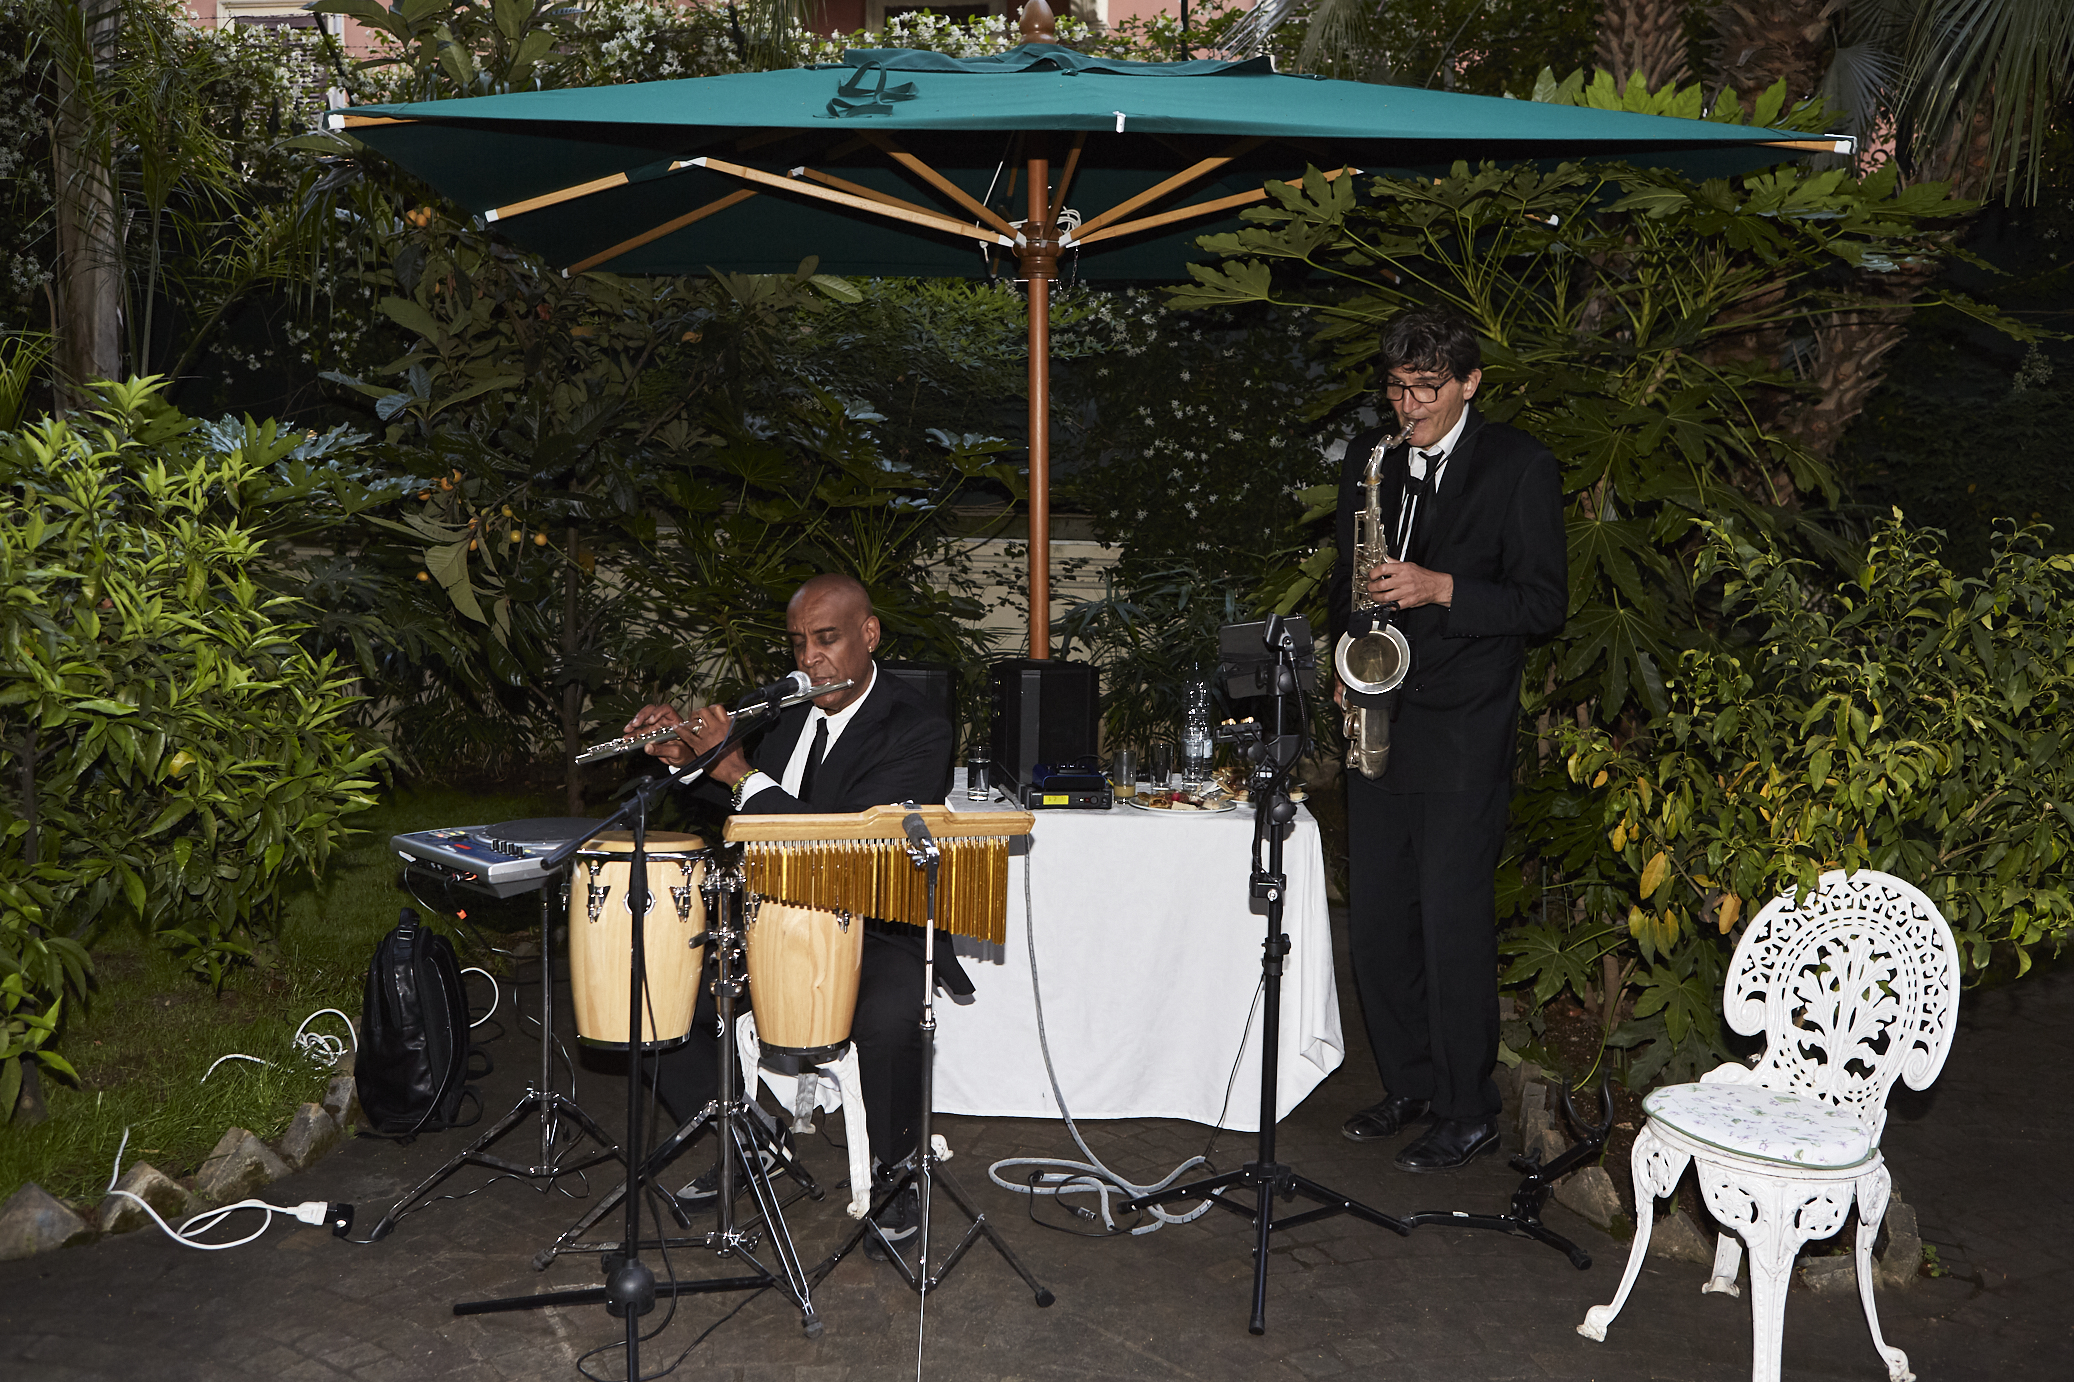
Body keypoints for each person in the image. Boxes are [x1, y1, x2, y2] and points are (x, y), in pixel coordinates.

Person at [623, 573, 958, 1242]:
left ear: (869, 635)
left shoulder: (917, 728)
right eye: (800, 643)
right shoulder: (783, 710)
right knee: (650, 989)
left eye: (827, 640)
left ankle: (898, 1172)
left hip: (873, 919)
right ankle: (751, 1139)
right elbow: (744, 805)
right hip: (774, 916)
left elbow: (842, 837)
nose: (809, 660)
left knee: (889, 1014)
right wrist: (685, 759)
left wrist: (737, 772)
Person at [1329, 305, 1566, 1172]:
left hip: (1464, 730)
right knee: (1380, 923)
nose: (1408, 406)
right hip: (1380, 712)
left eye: (1427, 389)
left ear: (1470, 384)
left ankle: (1470, 1109)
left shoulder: (1519, 466)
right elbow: (1349, 575)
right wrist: (1347, 665)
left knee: (1452, 925)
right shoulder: (1372, 458)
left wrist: (1442, 590)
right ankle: (1411, 1085)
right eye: (1396, 387)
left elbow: (1544, 605)